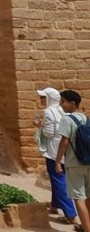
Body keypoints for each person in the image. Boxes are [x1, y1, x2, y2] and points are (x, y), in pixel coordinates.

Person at [34, 88, 77, 225]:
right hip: (66, 151)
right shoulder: (61, 110)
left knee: (58, 180)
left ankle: (70, 214)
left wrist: (39, 125)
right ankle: (55, 204)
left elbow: (49, 133)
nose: (40, 100)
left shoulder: (48, 112)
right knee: (56, 179)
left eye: (42, 97)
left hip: (54, 151)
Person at [55, 89, 90, 232]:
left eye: (63, 101)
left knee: (78, 197)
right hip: (88, 161)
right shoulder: (86, 118)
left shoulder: (67, 119)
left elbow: (64, 141)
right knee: (88, 196)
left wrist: (58, 161)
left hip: (74, 163)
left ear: (72, 103)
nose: (61, 104)